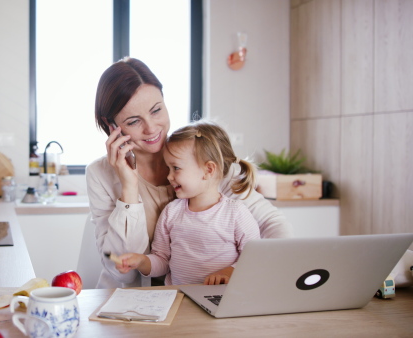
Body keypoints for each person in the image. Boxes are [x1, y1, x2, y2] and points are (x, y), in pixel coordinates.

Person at [86, 57, 292, 289]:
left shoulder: (204, 155)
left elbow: (270, 223)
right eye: (134, 121)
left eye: (156, 110)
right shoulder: (100, 175)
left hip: (210, 295)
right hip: (137, 302)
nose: (151, 128)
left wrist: (265, 271)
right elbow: (122, 274)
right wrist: (129, 188)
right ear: (112, 126)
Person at [115, 121, 261, 285]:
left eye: (176, 168)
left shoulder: (235, 212)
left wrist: (230, 270)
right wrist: (142, 262)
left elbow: (256, 256)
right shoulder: (171, 212)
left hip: (223, 299)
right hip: (179, 299)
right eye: (168, 168)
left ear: (209, 170)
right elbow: (162, 261)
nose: (169, 176)